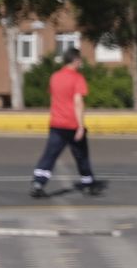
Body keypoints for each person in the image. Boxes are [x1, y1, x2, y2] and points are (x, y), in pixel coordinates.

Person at [29, 48, 101, 198]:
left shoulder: (55, 77)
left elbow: (53, 99)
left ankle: (38, 183)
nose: (81, 62)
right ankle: (88, 184)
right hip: (72, 125)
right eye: (80, 60)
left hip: (56, 124)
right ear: (75, 60)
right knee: (81, 156)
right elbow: (78, 102)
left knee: (49, 155)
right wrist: (81, 126)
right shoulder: (77, 78)